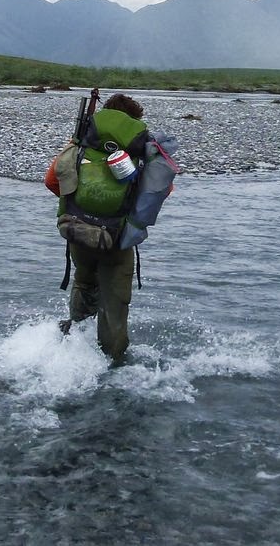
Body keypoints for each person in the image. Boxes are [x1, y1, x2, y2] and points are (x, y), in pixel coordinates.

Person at [44, 91, 176, 363]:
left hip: (77, 232)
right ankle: (113, 364)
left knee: (83, 282)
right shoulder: (139, 155)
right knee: (114, 304)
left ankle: (73, 346)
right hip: (115, 239)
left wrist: (86, 206)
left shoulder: (80, 146)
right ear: (133, 121)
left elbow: (52, 181)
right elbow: (162, 191)